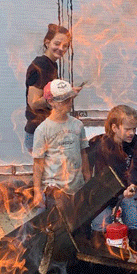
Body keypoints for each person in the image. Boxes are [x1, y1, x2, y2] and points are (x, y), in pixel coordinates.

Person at [89, 105, 137, 254]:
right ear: (115, 127)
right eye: (128, 129)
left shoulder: (136, 143)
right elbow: (100, 176)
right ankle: (102, 263)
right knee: (100, 226)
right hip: (104, 194)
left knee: (135, 221)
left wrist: (133, 186)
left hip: (127, 190)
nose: (132, 133)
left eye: (134, 129)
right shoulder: (100, 144)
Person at [32, 79, 90, 208]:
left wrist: (87, 176)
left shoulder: (77, 125)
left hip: (77, 186)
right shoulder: (43, 130)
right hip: (55, 189)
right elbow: (38, 162)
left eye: (70, 99)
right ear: (51, 101)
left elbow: (83, 153)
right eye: (64, 100)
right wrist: (37, 191)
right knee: (59, 225)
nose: (69, 103)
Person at [25, 24, 79, 153]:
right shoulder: (41, 65)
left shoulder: (52, 65)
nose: (61, 48)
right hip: (39, 131)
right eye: (57, 43)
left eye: (65, 46)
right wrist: (62, 95)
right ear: (47, 42)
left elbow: (50, 96)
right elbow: (34, 103)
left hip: (47, 130)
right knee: (45, 173)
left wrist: (67, 94)